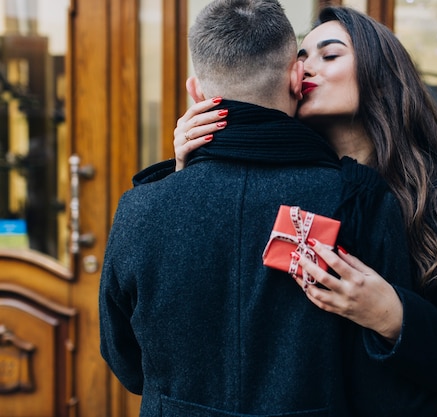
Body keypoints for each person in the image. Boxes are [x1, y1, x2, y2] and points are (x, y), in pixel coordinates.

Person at [167, 5, 437, 416]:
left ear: (380, 76)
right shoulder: (282, 180)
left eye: (329, 55)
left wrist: (391, 315)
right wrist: (190, 172)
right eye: (300, 59)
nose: (305, 69)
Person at [99, 1, 414, 416]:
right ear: (297, 78)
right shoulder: (359, 197)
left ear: (197, 92)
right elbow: (383, 380)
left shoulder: (140, 207)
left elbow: (125, 363)